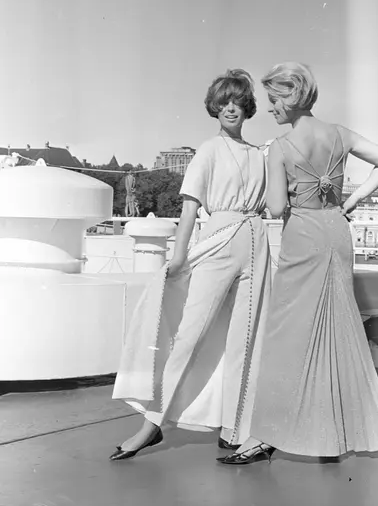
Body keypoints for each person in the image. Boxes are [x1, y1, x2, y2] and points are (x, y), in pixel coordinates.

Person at [218, 62, 378, 465]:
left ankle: (265, 436)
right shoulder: (339, 134)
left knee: (287, 336)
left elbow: (275, 207)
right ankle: (330, 433)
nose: (271, 109)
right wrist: (351, 201)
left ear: (290, 98)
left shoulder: (280, 147)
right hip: (336, 230)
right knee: (336, 330)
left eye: (274, 100)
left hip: (302, 235)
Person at [110, 69, 271, 460]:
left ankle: (235, 428)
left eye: (237, 102)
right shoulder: (208, 151)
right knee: (189, 336)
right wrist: (179, 257)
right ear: (215, 108)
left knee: (246, 342)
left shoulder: (261, 155)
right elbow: (189, 209)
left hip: (258, 243)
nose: (231, 109)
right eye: (224, 103)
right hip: (219, 240)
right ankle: (152, 425)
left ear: (247, 108)